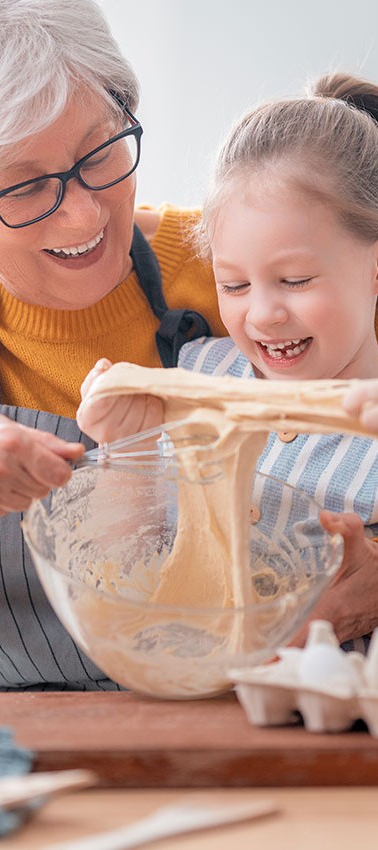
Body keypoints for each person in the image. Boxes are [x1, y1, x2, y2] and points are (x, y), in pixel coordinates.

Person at [0, 0, 224, 694]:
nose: (85, 213)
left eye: (98, 152)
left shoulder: (242, 267)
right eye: (24, 187)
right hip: (6, 749)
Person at [78, 71, 378, 653]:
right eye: (234, 285)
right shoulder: (195, 380)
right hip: (194, 702)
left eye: (294, 280)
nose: (264, 315)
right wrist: (126, 454)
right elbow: (119, 581)